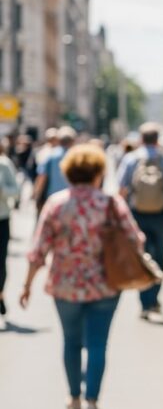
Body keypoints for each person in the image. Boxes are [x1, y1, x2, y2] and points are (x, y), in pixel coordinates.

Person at [20, 144, 144, 409]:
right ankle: (93, 400)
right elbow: (136, 240)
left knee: (71, 341)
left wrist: (27, 285)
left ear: (68, 172)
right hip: (105, 286)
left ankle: (74, 396)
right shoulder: (111, 203)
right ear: (98, 173)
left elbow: (38, 250)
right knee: (98, 343)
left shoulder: (56, 204)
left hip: (65, 286)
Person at [116, 122, 163, 318]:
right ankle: (153, 299)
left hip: (137, 216)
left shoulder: (130, 159)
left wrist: (119, 218)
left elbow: (122, 190)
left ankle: (144, 303)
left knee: (142, 258)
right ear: (157, 140)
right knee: (160, 259)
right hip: (161, 216)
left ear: (140, 139)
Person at [33, 126, 77, 213]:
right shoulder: (77, 156)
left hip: (53, 200)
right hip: (73, 200)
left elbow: (42, 177)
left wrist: (37, 196)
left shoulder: (51, 155)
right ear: (73, 141)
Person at [0, 141, 20, 316]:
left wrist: (2, 190)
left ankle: (0, 294)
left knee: (0, 261)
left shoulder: (4, 164)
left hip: (1, 218)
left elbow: (16, 190)